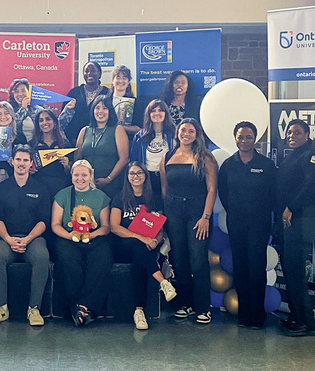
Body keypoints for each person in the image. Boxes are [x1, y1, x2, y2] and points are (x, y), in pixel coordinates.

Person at [217, 121, 277, 329]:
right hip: (237, 223)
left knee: (256, 268)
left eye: (249, 137)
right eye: (240, 137)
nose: (244, 141)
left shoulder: (266, 165)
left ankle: (257, 316)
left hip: (259, 224)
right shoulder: (228, 165)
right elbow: (223, 192)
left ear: (256, 139)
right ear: (235, 138)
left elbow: (273, 195)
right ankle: (244, 314)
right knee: (240, 267)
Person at [0, 145, 51, 327]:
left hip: (33, 238)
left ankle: (34, 308)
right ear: (12, 161)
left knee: (42, 256)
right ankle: (1, 308)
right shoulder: (1, 188)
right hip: (6, 238)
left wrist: (27, 239)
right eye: (18, 160)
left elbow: (43, 221)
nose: (21, 164)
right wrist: (8, 239)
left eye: (25, 160)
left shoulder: (41, 188)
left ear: (31, 164)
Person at [161, 118, 217, 324]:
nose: (186, 133)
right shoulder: (167, 156)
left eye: (190, 131)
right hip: (174, 210)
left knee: (198, 258)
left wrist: (206, 217)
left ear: (197, 134)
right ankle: (186, 304)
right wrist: (166, 216)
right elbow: (165, 188)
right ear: (177, 133)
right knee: (179, 258)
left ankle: (203, 307)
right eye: (183, 130)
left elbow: (212, 190)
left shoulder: (206, 157)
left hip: (197, 212)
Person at [109, 162, 177, 330]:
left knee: (141, 259)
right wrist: (142, 238)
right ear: (127, 177)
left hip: (146, 247)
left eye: (139, 173)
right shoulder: (120, 197)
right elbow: (114, 227)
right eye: (132, 173)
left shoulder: (153, 199)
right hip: (122, 245)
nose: (135, 176)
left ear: (145, 176)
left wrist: (156, 240)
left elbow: (160, 228)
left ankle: (139, 312)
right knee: (138, 246)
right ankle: (163, 282)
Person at [50, 160, 112, 326]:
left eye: (84, 175)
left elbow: (106, 227)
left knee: (103, 259)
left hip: (94, 237)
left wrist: (90, 236)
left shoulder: (101, 197)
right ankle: (78, 305)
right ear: (71, 177)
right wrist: (71, 236)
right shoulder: (62, 195)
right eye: (76, 175)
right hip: (69, 237)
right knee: (68, 259)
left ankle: (85, 306)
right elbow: (55, 225)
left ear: (91, 176)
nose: (80, 178)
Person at [276, 119, 315, 337]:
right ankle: (296, 315)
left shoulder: (312, 156)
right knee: (289, 270)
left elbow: (309, 187)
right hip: (288, 219)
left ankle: (307, 323)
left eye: (297, 132)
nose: (292, 136)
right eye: (289, 132)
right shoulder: (292, 155)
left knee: (296, 272)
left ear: (307, 134)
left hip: (302, 218)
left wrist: (291, 208)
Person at [74, 95, 129, 198]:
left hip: (110, 184)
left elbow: (124, 159)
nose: (100, 111)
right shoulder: (84, 130)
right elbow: (77, 159)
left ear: (110, 111)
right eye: (97, 107)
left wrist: (108, 179)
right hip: (85, 184)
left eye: (105, 108)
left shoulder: (117, 129)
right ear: (92, 110)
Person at [130, 99, 176, 194]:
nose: (157, 113)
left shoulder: (174, 134)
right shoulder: (139, 137)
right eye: (153, 111)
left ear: (166, 113)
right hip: (147, 179)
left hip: (168, 178)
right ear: (148, 114)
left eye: (160, 110)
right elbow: (134, 161)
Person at [60, 62, 110, 144]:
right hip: (73, 141)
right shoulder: (74, 93)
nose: (89, 73)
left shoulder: (107, 93)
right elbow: (64, 120)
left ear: (99, 74)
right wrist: (72, 138)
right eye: (86, 71)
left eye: (93, 71)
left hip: (100, 142)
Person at [28, 109, 71, 198]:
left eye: (48, 119)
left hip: (60, 188)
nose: (44, 122)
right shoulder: (31, 145)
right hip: (38, 187)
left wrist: (67, 166)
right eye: (41, 120)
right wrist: (29, 170)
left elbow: (70, 171)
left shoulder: (65, 144)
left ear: (55, 123)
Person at [106, 65, 141, 135]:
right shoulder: (105, 101)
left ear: (128, 82)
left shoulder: (135, 103)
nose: (121, 81)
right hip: (107, 139)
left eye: (124, 78)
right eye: (118, 77)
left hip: (128, 140)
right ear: (113, 80)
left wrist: (121, 128)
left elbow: (139, 128)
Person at [8, 78, 40, 142]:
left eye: (23, 91)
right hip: (16, 147)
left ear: (29, 92)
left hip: (35, 146)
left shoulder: (38, 110)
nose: (20, 94)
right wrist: (23, 108)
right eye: (16, 92)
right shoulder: (8, 110)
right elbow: (11, 127)